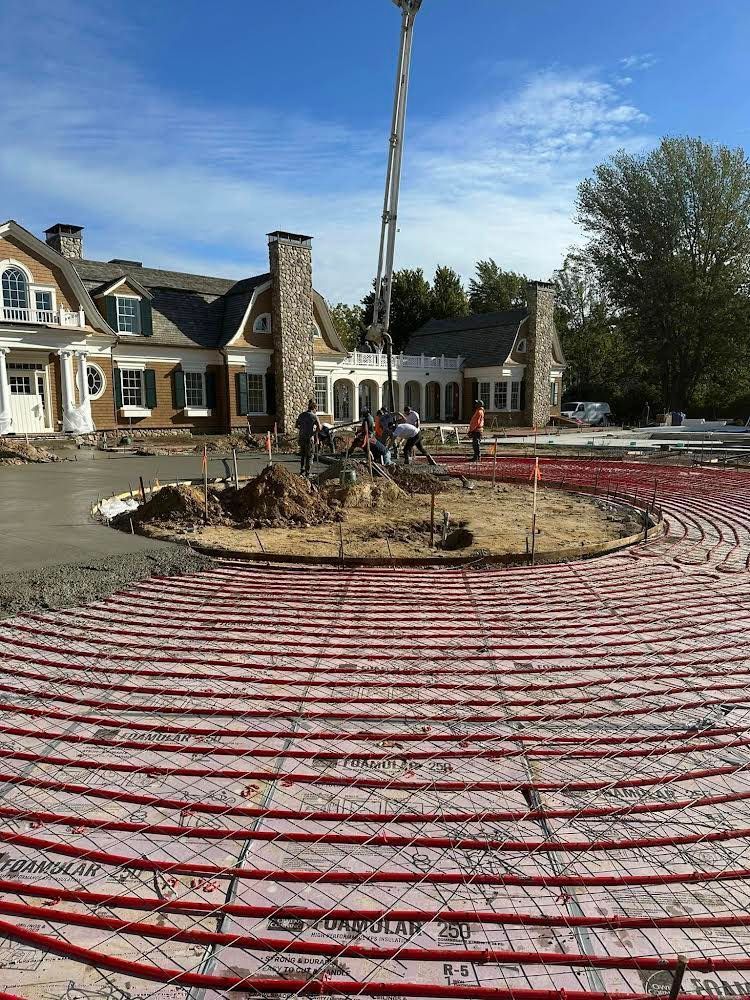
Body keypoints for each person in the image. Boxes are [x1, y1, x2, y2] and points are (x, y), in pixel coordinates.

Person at [295, 400, 321, 476]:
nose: (316, 411)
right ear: (314, 407)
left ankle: (302, 470)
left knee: (303, 455)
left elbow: (296, 426)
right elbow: (319, 428)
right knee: (309, 455)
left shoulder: (301, 415)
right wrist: (313, 432)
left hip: (302, 437)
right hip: (309, 438)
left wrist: (303, 429)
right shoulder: (314, 416)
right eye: (316, 409)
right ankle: (307, 472)